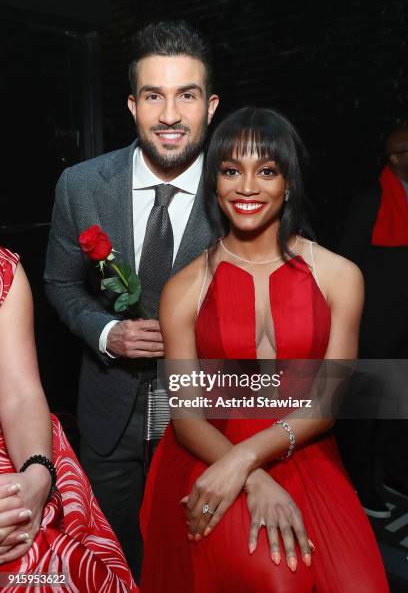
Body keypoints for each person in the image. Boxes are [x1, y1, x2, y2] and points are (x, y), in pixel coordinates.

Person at [140, 108, 389, 592]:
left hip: (303, 442)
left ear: (289, 182)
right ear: (214, 183)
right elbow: (187, 415)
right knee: (275, 578)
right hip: (207, 448)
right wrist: (249, 477)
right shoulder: (183, 288)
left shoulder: (340, 276)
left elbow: (329, 401)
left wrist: (246, 460)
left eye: (266, 171)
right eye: (232, 171)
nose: (247, 187)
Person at [44, 20, 220, 579]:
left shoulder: (242, 190)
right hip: (107, 409)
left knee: (194, 558)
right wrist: (105, 332)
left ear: (210, 107)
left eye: (186, 95)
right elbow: (61, 283)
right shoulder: (81, 185)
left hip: (208, 416)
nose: (169, 114)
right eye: (153, 95)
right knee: (115, 556)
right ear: (131, 104)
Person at [0, 247, 137, 591]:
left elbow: (18, 394)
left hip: (14, 454)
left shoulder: (3, 270)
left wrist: (36, 476)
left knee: (44, 560)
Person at [336, 123, 408, 518]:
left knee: (398, 411)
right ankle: (361, 485)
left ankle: (395, 475)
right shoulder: (372, 200)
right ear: (395, 159)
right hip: (373, 327)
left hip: (404, 329)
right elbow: (346, 262)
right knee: (363, 412)